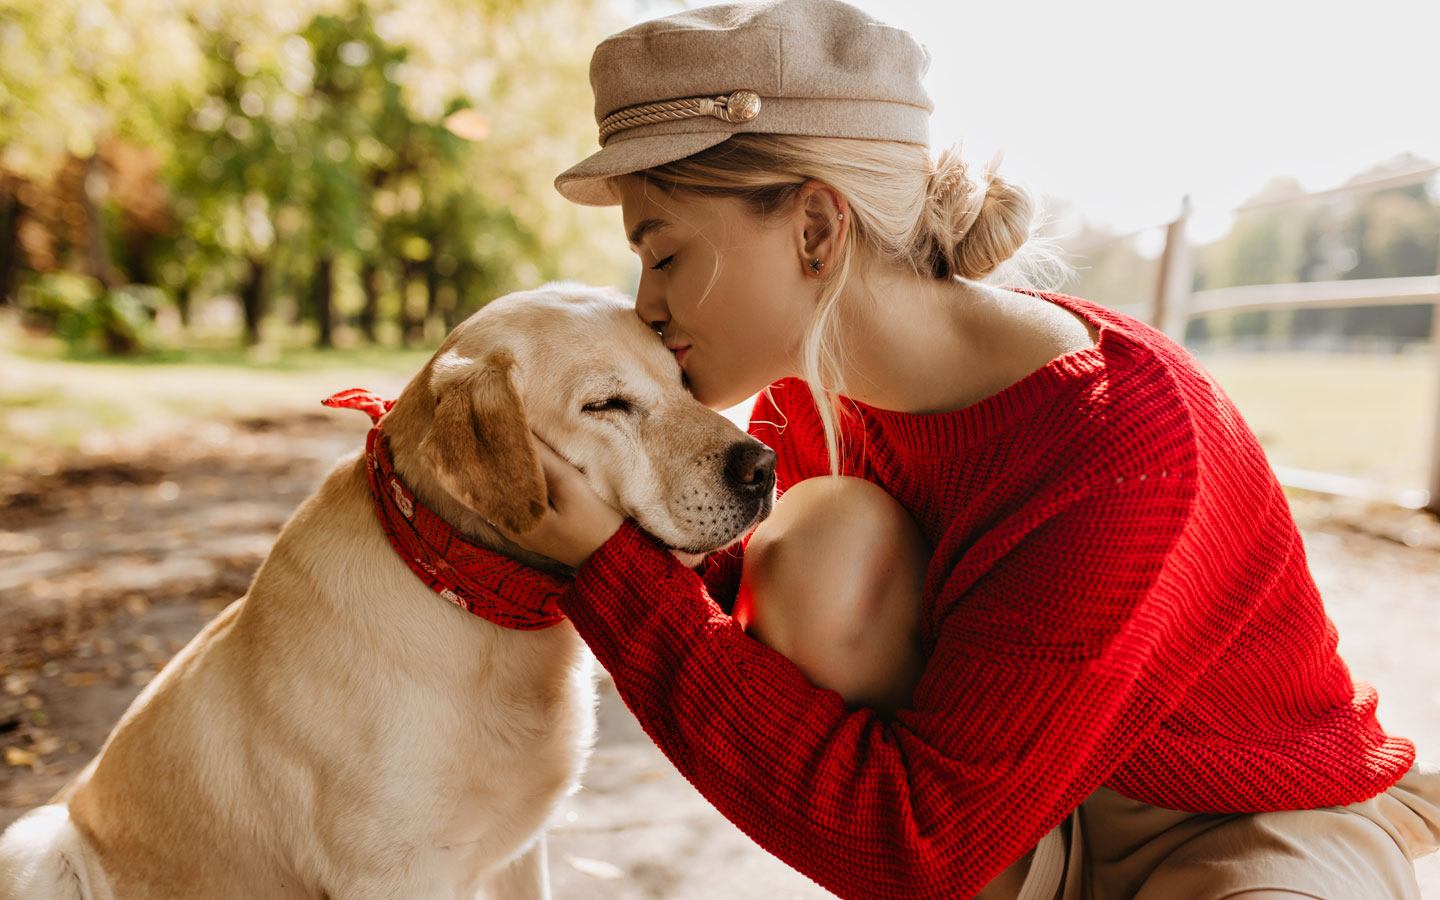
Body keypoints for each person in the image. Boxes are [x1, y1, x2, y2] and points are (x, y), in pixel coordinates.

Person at [467, 0, 1440, 896]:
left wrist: (606, 569)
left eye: (664, 251)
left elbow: (917, 844)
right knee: (821, 541)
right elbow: (719, 632)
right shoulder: (812, 404)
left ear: (815, 227)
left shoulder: (1126, 440)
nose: (647, 304)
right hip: (1019, 822)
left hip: (1237, 818)